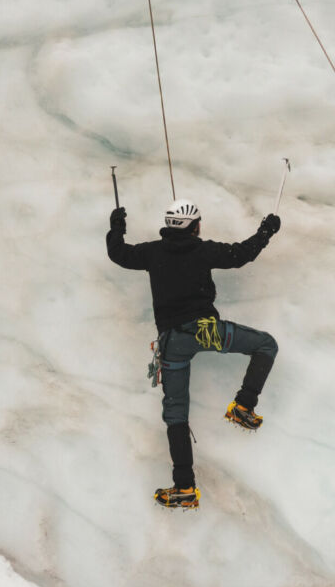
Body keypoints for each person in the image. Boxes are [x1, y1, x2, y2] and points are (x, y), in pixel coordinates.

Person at [107, 198, 280, 509]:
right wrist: (266, 231)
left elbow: (119, 254)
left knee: (176, 413)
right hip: (204, 330)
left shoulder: (151, 252)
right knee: (265, 345)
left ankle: (184, 488)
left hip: (172, 339)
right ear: (194, 226)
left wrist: (116, 226)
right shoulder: (203, 250)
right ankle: (243, 406)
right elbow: (241, 254)